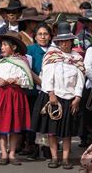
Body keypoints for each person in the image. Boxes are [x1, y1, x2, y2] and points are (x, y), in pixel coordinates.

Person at [31, 22, 85, 169]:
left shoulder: (77, 58)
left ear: (71, 41)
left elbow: (80, 79)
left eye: (67, 40)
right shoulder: (51, 55)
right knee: (52, 131)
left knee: (67, 132)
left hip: (70, 98)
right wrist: (51, 94)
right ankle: (54, 158)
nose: (64, 43)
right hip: (54, 97)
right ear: (58, 41)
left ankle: (66, 158)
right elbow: (47, 77)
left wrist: (78, 97)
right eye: (61, 41)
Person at [0, 31, 34, 166]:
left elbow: (27, 80)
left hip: (16, 96)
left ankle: (12, 154)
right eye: (1, 45)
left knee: (13, 127)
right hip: (2, 96)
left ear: (13, 48)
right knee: (2, 127)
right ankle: (3, 153)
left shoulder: (21, 62)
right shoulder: (0, 63)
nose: (2, 47)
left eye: (5, 45)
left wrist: (17, 80)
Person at [25, 23, 52, 160]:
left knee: (48, 120)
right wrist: (41, 82)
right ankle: (33, 148)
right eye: (40, 34)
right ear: (35, 37)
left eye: (46, 34)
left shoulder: (54, 50)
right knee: (34, 120)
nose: (43, 37)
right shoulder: (30, 50)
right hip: (35, 90)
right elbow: (28, 69)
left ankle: (47, 148)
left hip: (51, 91)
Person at [0, 0, 26, 65]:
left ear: (20, 13)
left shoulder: (24, 29)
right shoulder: (1, 31)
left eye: (14, 11)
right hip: (3, 64)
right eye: (8, 12)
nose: (11, 14)